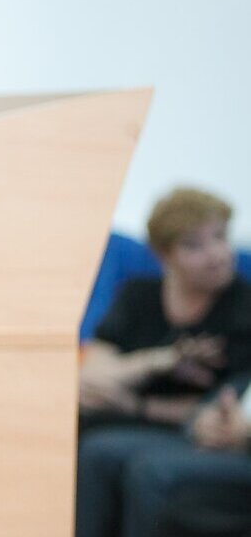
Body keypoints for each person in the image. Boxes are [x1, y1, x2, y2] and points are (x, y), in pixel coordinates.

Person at [76, 186, 251, 537]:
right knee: (95, 450)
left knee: (147, 469)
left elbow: (218, 408)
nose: (216, 254)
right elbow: (90, 377)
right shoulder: (138, 295)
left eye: (220, 237)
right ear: (163, 254)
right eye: (194, 245)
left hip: (200, 432)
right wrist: (157, 361)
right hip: (141, 422)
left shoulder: (242, 307)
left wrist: (133, 402)